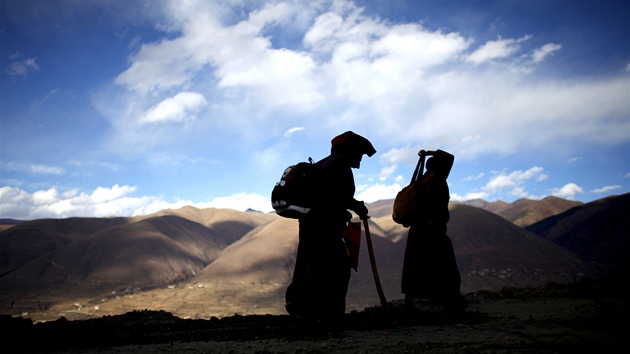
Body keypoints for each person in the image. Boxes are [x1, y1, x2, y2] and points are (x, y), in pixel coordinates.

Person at [285, 131, 376, 321]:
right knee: (334, 270)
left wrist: (354, 205)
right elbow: (334, 197)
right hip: (325, 228)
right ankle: (325, 317)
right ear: (350, 150)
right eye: (359, 152)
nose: (360, 157)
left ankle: (303, 309)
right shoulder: (339, 165)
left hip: (311, 225)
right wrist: (347, 209)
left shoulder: (323, 164)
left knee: (311, 266)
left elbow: (331, 194)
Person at [401, 149, 467, 313]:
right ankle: (447, 300)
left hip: (418, 230)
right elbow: (449, 157)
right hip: (432, 230)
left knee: (416, 264)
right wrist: (431, 152)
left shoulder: (420, 183)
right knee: (444, 265)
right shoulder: (436, 180)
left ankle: (414, 299)